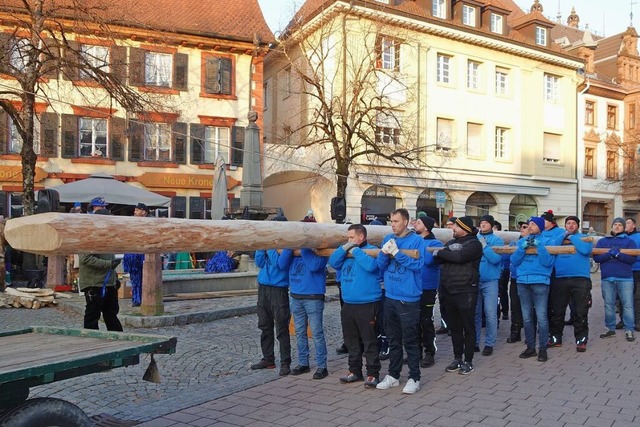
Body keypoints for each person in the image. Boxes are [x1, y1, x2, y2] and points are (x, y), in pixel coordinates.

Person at [375, 208, 425, 394]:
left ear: (406, 222)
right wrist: (384, 252)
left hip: (409, 298)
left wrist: (397, 254)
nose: (393, 224)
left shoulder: (417, 241)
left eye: (396, 221)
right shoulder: (388, 239)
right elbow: (379, 266)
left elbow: (418, 265)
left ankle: (414, 377)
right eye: (391, 221)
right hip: (390, 296)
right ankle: (394, 375)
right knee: (393, 340)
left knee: (410, 341)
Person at [329, 224, 382, 389]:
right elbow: (333, 262)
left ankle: (373, 373)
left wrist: (355, 251)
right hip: (349, 304)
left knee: (369, 341)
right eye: (347, 238)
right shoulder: (346, 251)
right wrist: (345, 247)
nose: (349, 240)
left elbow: (371, 266)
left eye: (352, 237)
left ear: (361, 237)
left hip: (367, 304)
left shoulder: (373, 250)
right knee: (351, 340)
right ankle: (355, 371)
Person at [433, 216, 483, 375]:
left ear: (465, 228)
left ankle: (468, 360)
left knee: (468, 327)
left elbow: (460, 257)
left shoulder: (475, 244)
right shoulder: (450, 243)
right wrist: (445, 253)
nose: (452, 229)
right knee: (454, 328)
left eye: (456, 226)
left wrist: (442, 252)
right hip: (449, 290)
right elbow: (438, 261)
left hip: (466, 290)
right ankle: (457, 358)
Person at [279, 245, 328, 379]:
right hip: (296, 296)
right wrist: (288, 248)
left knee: (317, 333)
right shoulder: (293, 252)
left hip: (313, 296)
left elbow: (314, 266)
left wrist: (304, 249)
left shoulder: (321, 252)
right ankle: (303, 363)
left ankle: (322, 366)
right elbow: (281, 265)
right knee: (300, 332)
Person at [250, 215, 291, 376]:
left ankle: (285, 362)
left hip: (278, 289)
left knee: (281, 327)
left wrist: (269, 249)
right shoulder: (269, 243)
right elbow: (259, 262)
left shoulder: (287, 245)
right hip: (264, 288)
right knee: (264, 325)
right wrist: (263, 247)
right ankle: (268, 358)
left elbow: (280, 265)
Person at [510, 216, 554, 363]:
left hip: (540, 281)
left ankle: (542, 349)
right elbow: (514, 261)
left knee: (541, 317)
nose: (529, 226)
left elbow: (548, 262)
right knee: (527, 317)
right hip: (523, 281)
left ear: (540, 227)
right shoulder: (522, 241)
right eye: (529, 224)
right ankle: (530, 347)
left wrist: (539, 246)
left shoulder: (548, 241)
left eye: (533, 224)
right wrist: (522, 248)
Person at [547, 216, 593, 352]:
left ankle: (581, 340)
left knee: (580, 311)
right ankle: (555, 338)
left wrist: (572, 238)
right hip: (560, 279)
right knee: (557, 311)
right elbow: (551, 247)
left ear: (577, 226)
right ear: (565, 225)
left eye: (573, 223)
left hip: (581, 280)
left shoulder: (585, 237)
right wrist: (563, 235)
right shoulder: (560, 238)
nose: (571, 225)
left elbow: (585, 250)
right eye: (568, 223)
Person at [594, 217, 638, 342]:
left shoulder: (629, 242)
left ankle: (629, 329)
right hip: (607, 278)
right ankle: (610, 329)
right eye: (615, 224)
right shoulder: (603, 241)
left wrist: (618, 255)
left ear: (624, 227)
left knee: (628, 305)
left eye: (620, 225)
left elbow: (632, 260)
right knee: (609, 305)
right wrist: (610, 254)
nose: (617, 226)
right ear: (612, 226)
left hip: (625, 278)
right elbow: (597, 258)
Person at [79, 208, 123, 331]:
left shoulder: (107, 236)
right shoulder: (88, 236)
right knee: (93, 315)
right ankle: (91, 341)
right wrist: (109, 264)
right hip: (94, 283)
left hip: (108, 282)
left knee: (111, 313)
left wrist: (114, 279)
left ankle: (118, 339)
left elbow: (110, 258)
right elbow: (86, 259)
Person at [413, 215, 443, 368]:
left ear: (426, 226)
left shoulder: (435, 243)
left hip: (428, 287)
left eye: (418, 222)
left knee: (426, 320)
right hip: (413, 286)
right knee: (413, 321)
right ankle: (415, 352)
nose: (414, 224)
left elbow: (429, 261)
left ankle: (429, 352)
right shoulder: (415, 240)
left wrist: (419, 246)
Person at [475, 215, 504, 357]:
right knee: (475, 313)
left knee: (490, 313)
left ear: (491, 225)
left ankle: (489, 343)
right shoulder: (474, 239)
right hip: (474, 280)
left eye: (486, 223)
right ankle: (474, 342)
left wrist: (484, 246)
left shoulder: (497, 240)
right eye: (481, 223)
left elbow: (496, 259)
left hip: (490, 281)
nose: (483, 225)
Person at [123, 202, 150, 307]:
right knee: (135, 278)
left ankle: (144, 298)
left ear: (143, 212)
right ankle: (137, 298)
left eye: (137, 210)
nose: (134, 212)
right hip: (133, 254)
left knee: (144, 277)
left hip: (142, 254)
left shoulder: (148, 224)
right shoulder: (131, 223)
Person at [506, 221, 529, 343]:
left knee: (529, 308)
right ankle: (515, 332)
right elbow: (509, 259)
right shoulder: (515, 243)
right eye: (521, 227)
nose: (522, 229)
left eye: (525, 227)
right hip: (515, 278)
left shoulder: (534, 243)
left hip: (527, 278)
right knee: (515, 307)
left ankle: (529, 334)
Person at [436, 216, 458, 336]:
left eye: (451, 225)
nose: (448, 227)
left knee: (453, 303)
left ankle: (454, 326)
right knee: (443, 301)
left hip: (454, 277)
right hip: (443, 274)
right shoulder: (446, 241)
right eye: (447, 225)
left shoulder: (459, 241)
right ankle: (445, 325)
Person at [625, 218, 640, 331]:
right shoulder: (623, 238)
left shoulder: (638, 237)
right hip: (624, 270)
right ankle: (624, 320)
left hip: (637, 270)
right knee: (623, 297)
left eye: (628, 223)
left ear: (633, 226)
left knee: (636, 296)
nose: (626, 224)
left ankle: (637, 321)